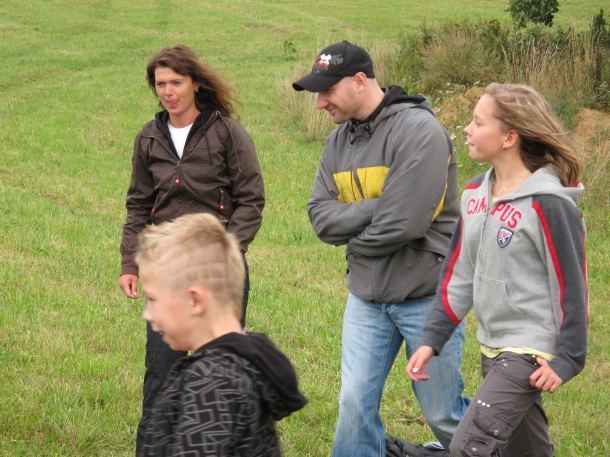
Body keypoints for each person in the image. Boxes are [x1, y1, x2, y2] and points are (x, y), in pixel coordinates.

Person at [293, 41, 469, 456]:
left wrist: (355, 239)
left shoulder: (420, 131)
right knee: (354, 404)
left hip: (427, 297)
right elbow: (320, 216)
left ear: (359, 81)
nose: (319, 103)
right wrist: (378, 205)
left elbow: (403, 223)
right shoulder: (337, 142)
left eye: (327, 91)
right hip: (367, 298)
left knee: (443, 413)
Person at [407, 83, 588, 457]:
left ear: (509, 137)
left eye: (477, 122)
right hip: (492, 346)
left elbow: (572, 286)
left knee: (469, 447)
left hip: (528, 351)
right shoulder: (475, 193)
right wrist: (431, 338)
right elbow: (458, 274)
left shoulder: (549, 204)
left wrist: (569, 358)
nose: (467, 129)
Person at [118, 44, 265, 453]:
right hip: (168, 275)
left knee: (221, 378)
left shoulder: (228, 133)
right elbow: (138, 205)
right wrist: (130, 262)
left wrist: (223, 255)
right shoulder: (148, 138)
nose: (168, 92)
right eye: (160, 84)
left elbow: (251, 200)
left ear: (195, 83)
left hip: (219, 276)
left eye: (176, 82)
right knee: (161, 379)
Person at [136, 213, 307, 456]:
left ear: (195, 301)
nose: (147, 314)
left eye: (153, 300)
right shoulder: (238, 364)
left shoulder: (211, 383)